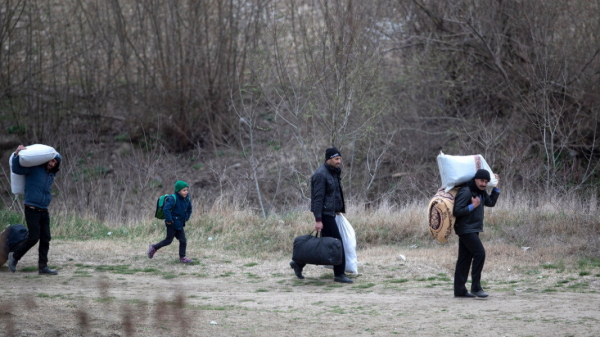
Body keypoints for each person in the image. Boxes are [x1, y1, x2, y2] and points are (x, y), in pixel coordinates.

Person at [290, 147, 353, 283]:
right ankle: (339, 274)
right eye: (336, 159)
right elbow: (317, 199)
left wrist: (337, 209)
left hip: (331, 213)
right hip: (324, 215)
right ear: (328, 159)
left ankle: (298, 263)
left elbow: (333, 194)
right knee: (337, 243)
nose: (339, 161)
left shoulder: (333, 172)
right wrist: (318, 220)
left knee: (329, 244)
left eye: (340, 159)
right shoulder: (321, 174)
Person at [8, 145, 62, 275]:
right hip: (31, 208)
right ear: (47, 159)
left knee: (46, 238)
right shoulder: (34, 169)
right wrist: (16, 154)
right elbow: (16, 169)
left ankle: (43, 267)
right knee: (33, 237)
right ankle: (15, 256)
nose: (52, 163)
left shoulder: (51, 175)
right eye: (51, 160)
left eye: (55, 162)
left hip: (44, 210)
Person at [453, 169, 500, 298]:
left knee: (464, 259)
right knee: (480, 253)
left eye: (486, 181)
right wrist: (472, 206)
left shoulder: (480, 192)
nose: (484, 184)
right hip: (465, 229)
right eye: (482, 181)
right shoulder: (466, 191)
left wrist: (495, 188)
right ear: (475, 179)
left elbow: (490, 203)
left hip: (473, 228)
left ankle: (460, 291)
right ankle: (476, 287)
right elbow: (456, 211)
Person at [148, 180, 193, 263]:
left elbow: (190, 209)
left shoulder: (187, 199)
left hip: (180, 223)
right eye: (184, 190)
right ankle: (154, 247)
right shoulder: (173, 198)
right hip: (172, 223)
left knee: (183, 240)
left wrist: (186, 217)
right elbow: (166, 209)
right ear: (178, 191)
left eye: (187, 190)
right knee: (168, 240)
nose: (186, 192)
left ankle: (182, 257)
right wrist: (169, 220)